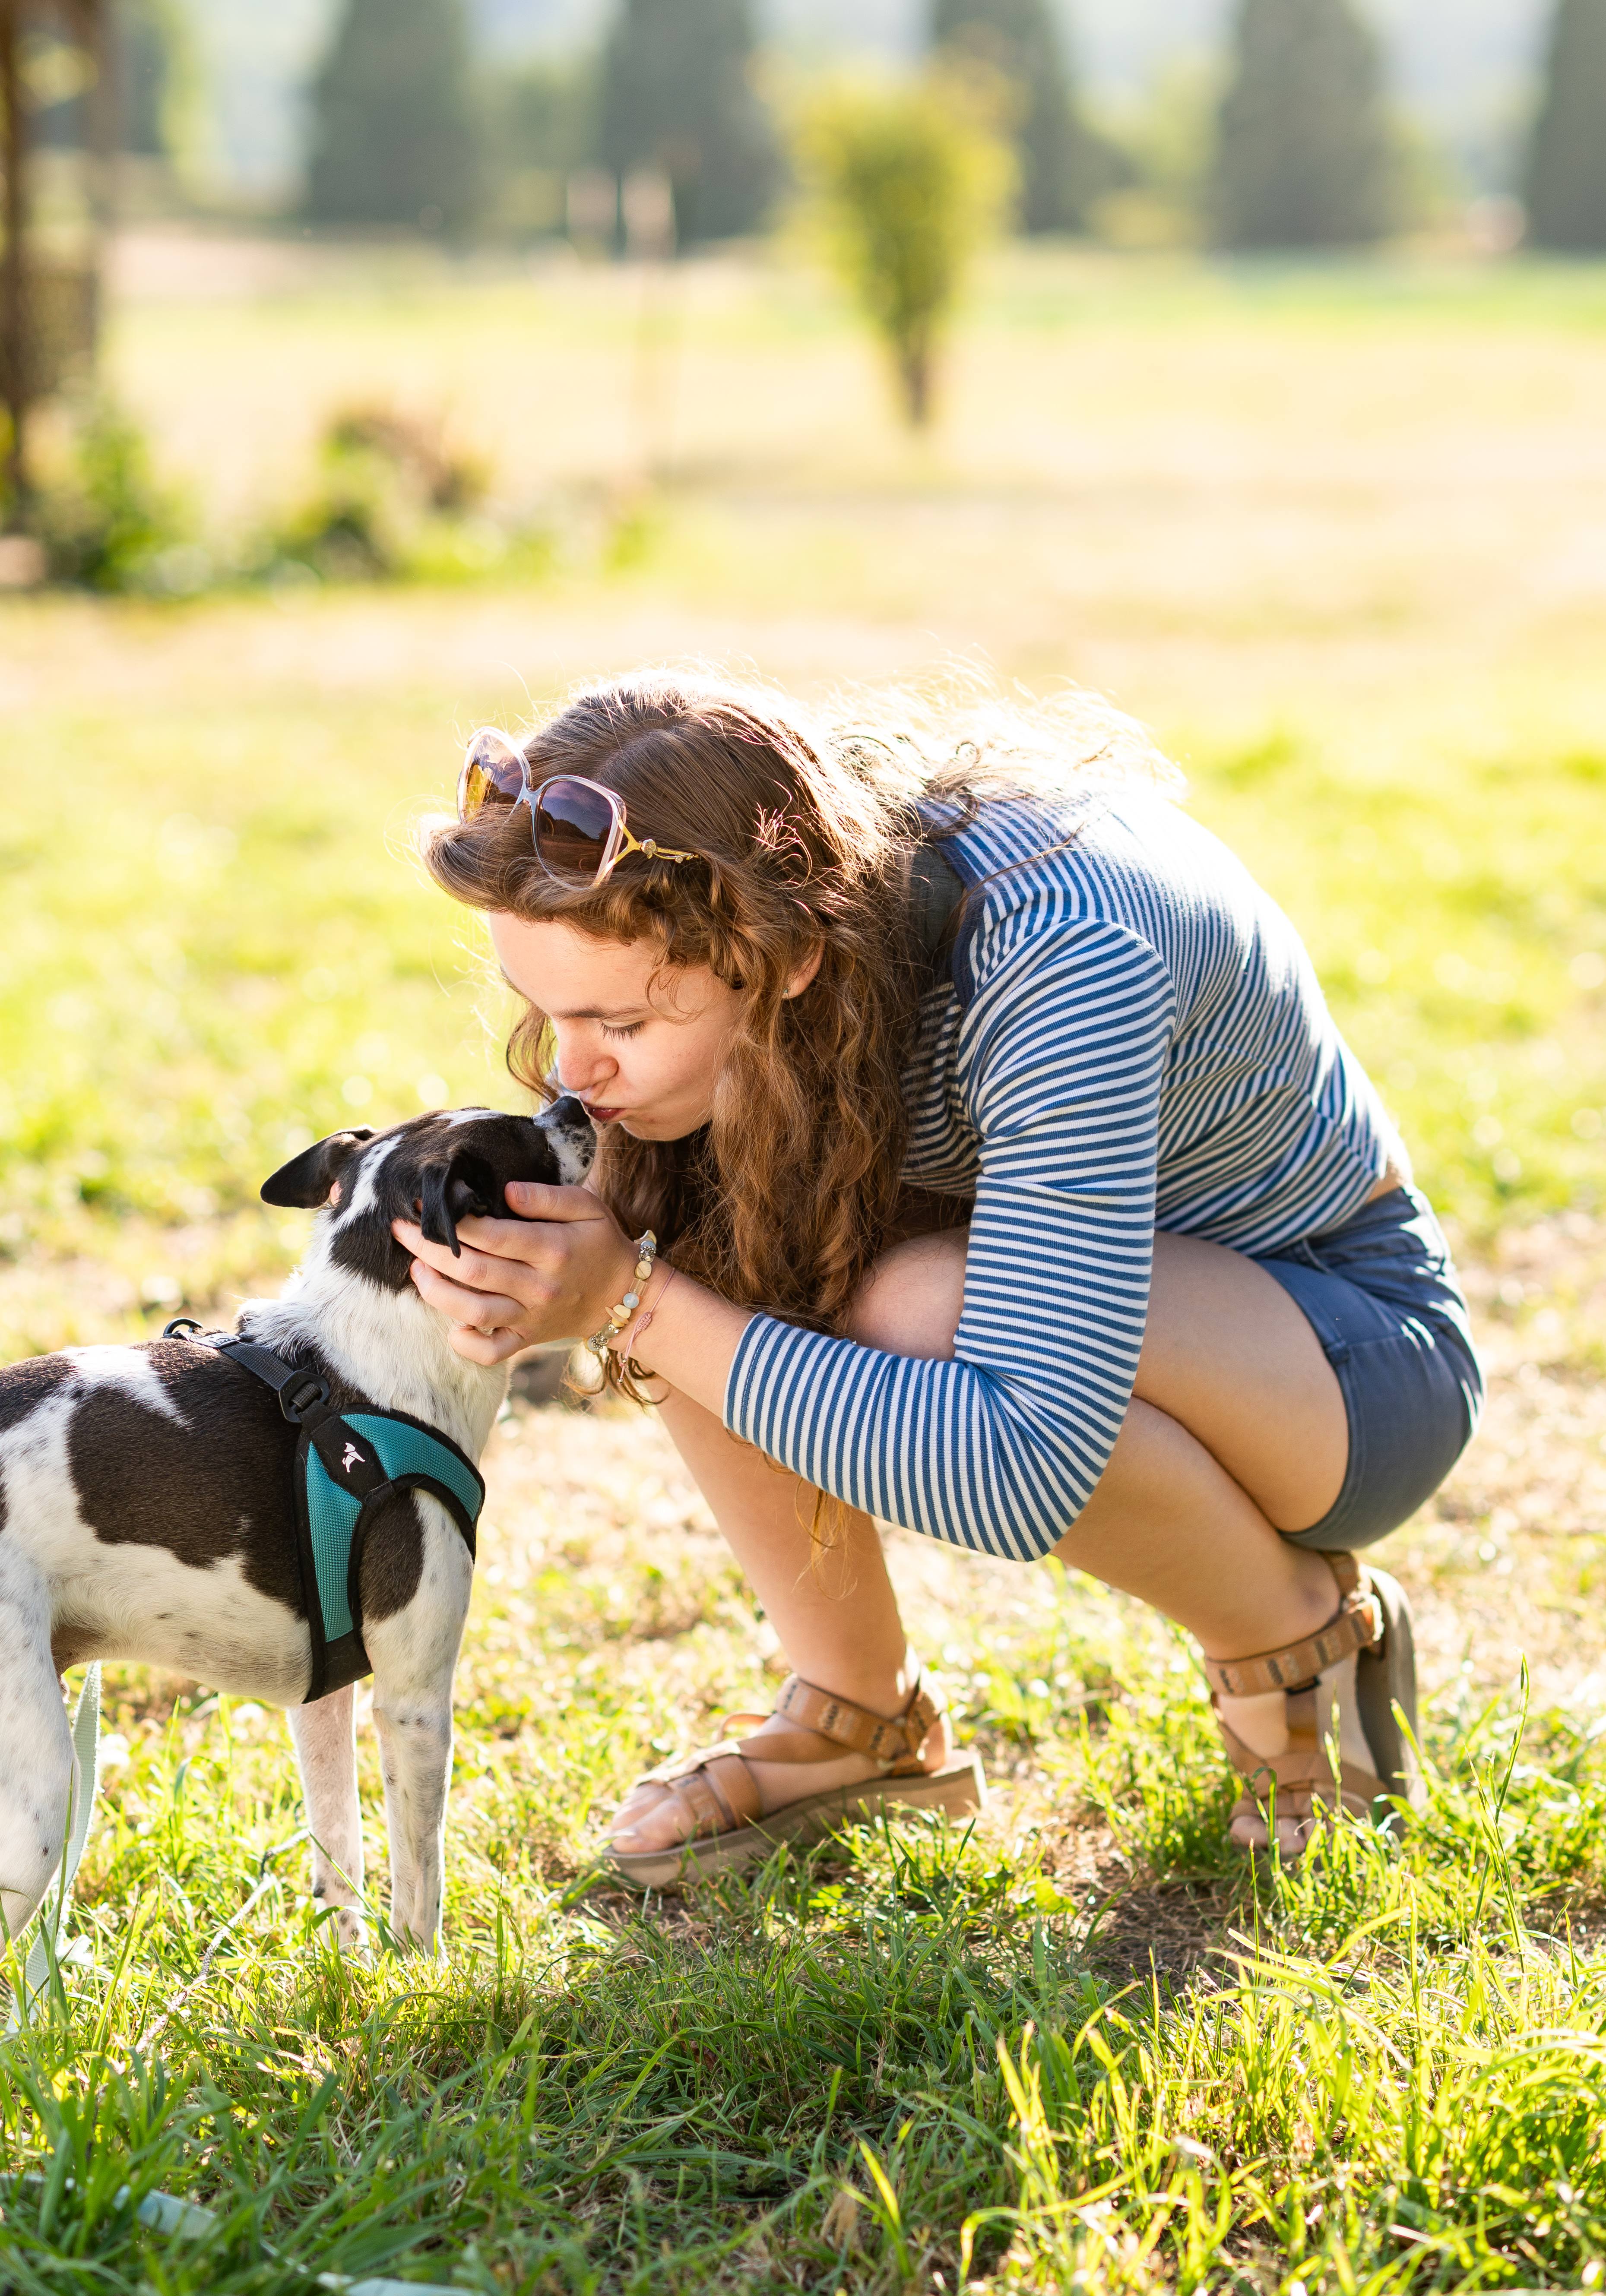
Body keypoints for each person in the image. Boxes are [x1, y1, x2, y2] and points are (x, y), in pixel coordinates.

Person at [397, 669, 1482, 1886]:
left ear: (785, 950)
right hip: (1120, 1303)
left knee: (896, 1307)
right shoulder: (789, 870)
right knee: (673, 1202)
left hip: (1348, 1361)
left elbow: (1017, 1470)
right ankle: (862, 1724)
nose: (576, 1069)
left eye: (628, 1026)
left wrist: (628, 1300)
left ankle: (1299, 1638)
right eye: (548, 1011)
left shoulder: (1063, 949)